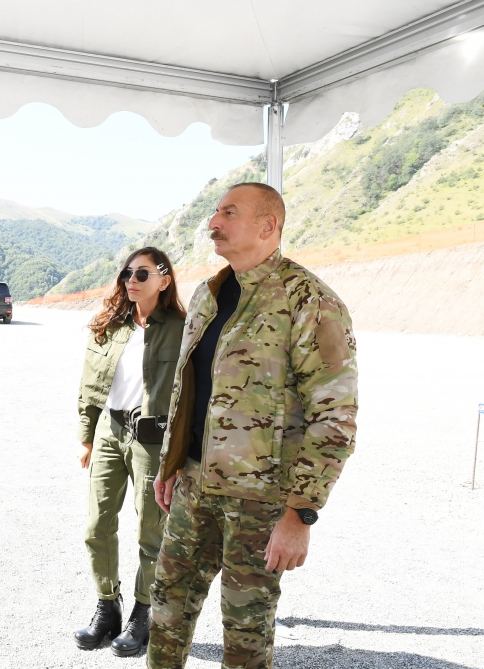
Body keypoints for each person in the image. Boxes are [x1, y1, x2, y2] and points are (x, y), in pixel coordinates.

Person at [146, 183, 359, 669]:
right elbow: (188, 391)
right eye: (216, 212)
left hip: (260, 501)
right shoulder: (208, 294)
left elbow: (335, 415)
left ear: (268, 227)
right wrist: (172, 463)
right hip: (194, 485)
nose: (213, 222)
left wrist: (300, 513)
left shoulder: (308, 300)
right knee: (167, 608)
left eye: (229, 213)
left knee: (245, 633)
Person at [74, 246, 186, 656]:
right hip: (109, 430)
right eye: (126, 274)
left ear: (164, 278)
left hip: (153, 441)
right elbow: (89, 383)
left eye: (142, 274)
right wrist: (87, 436)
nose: (132, 281)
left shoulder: (182, 328)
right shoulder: (110, 325)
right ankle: (108, 606)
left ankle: (144, 612)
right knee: (96, 526)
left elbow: (191, 396)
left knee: (150, 533)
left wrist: (180, 455)